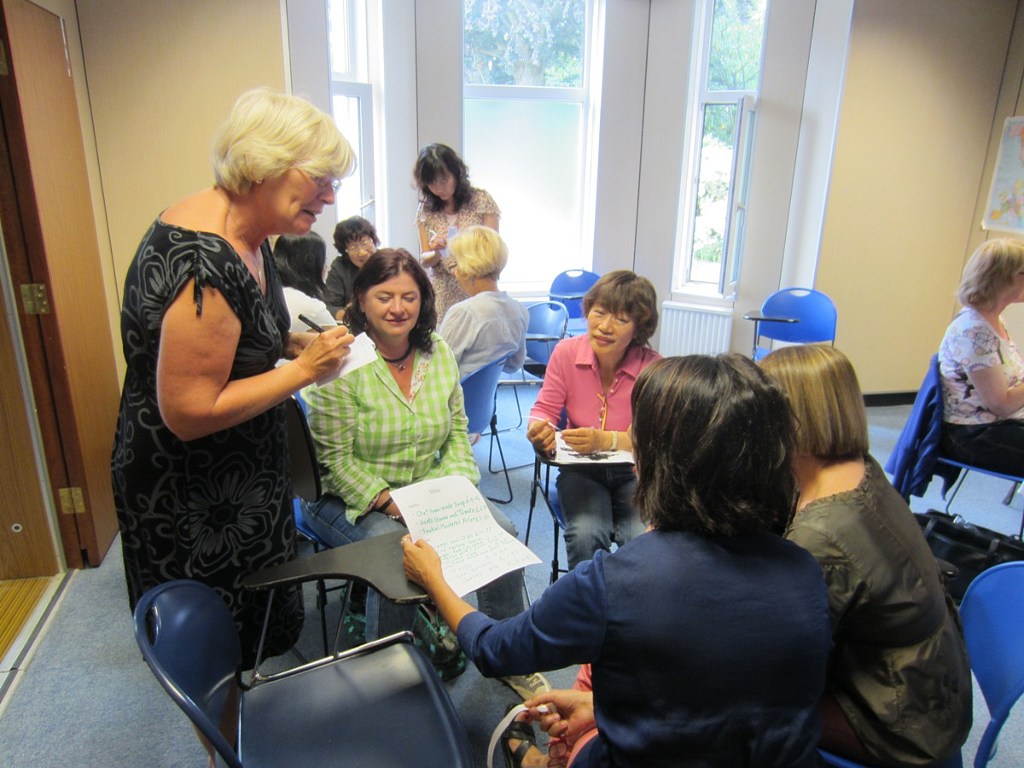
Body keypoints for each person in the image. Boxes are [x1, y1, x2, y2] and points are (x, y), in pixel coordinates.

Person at [403, 354, 832, 767]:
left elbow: (494, 649)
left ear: (656, 461)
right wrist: (599, 705)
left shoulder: (616, 582)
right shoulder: (804, 568)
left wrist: (435, 578)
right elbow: (721, 688)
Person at [110, 88, 356, 670]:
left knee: (248, 637)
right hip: (196, 496)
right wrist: (301, 372)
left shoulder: (245, 230)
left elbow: (236, 341)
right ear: (264, 164)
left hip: (237, 477)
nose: (329, 194)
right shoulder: (206, 262)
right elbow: (190, 410)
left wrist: (284, 345)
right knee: (214, 654)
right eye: (320, 176)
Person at [301, 248, 547, 700]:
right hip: (349, 500)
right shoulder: (341, 363)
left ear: (423, 300)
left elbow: (457, 431)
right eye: (385, 296)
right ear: (361, 299)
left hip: (430, 493)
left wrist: (454, 490)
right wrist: (391, 503)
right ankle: (387, 679)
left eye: (409, 297)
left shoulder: (439, 355)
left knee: (503, 532)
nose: (399, 308)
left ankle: (508, 655)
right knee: (400, 559)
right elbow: (333, 461)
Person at [761, 344, 972, 767]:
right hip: (931, 689)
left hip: (902, 723)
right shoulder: (860, 468)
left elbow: (781, 656)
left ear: (787, 416)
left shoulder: (823, 534)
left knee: (733, 700)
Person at [525, 270, 660, 570]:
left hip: (634, 471)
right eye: (599, 312)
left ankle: (630, 610)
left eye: (622, 319)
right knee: (586, 534)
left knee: (641, 540)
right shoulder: (566, 352)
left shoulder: (653, 367)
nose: (605, 327)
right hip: (580, 470)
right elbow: (543, 411)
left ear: (639, 328)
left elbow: (655, 437)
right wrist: (539, 431)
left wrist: (607, 440)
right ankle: (585, 611)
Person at [938, 237, 1024, 475]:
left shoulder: (993, 321)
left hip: (999, 423)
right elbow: (1002, 404)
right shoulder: (973, 330)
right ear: (1002, 278)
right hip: (975, 434)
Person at [413, 143, 500, 323]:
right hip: (442, 292)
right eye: (432, 183)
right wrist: (436, 251)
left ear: (456, 173)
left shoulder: (480, 200)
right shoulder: (426, 209)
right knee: (446, 342)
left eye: (443, 180)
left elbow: (493, 250)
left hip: (477, 286)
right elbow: (425, 259)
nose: (439, 188)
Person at [440, 225, 528, 380]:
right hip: (484, 402)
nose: (455, 271)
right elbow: (514, 365)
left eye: (457, 263)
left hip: (455, 401)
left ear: (468, 266)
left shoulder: (464, 313)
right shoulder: (519, 310)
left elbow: (438, 369)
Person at [272, 231, 336, 333]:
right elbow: (343, 343)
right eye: (324, 260)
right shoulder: (312, 308)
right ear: (312, 264)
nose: (326, 267)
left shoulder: (270, 294)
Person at [324, 215, 380, 319]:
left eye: (365, 243)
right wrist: (351, 314)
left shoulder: (388, 261)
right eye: (353, 247)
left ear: (373, 240)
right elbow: (330, 306)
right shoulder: (340, 267)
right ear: (345, 251)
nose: (362, 253)